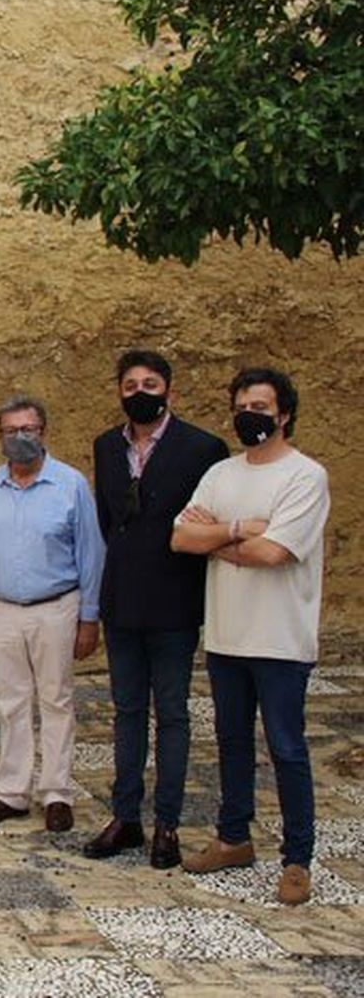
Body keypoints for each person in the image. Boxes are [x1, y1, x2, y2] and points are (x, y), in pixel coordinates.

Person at [172, 367, 330, 906]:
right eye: (242, 404)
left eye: (260, 407)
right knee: (231, 742)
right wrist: (242, 529)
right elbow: (180, 536)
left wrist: (214, 541)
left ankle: (296, 858)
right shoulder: (222, 474)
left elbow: (275, 553)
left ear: (283, 414)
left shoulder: (305, 477)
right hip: (226, 634)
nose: (249, 415)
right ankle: (233, 837)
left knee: (286, 748)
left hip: (281, 639)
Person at [84, 351, 228, 868]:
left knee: (171, 714)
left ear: (169, 390)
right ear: (118, 391)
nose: (139, 391)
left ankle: (167, 822)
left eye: (150, 383)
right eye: (130, 384)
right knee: (125, 712)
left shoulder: (203, 448)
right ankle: (126, 817)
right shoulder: (106, 446)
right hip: (123, 600)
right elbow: (108, 520)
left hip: (174, 601)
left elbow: (208, 522)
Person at [0, 396, 104, 834]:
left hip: (56, 606)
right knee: (11, 701)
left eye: (29, 429)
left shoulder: (70, 484)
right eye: (11, 430)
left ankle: (57, 791)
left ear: (43, 432)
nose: (20, 437)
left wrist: (89, 615)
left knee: (56, 699)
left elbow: (91, 552)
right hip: (1, 608)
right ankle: (12, 791)